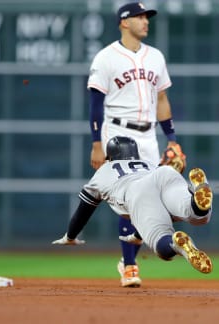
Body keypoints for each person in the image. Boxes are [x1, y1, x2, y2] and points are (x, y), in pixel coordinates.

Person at [87, 1, 182, 287]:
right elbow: (95, 104)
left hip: (148, 135)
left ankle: (129, 259)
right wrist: (96, 144)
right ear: (124, 22)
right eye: (140, 17)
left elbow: (162, 101)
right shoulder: (106, 58)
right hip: (117, 133)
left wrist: (173, 140)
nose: (146, 21)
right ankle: (130, 265)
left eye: (147, 17)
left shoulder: (156, 57)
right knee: (131, 201)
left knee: (153, 202)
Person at [52, 136, 213, 278]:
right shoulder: (147, 163)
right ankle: (198, 200)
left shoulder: (103, 171)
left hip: (136, 191)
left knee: (161, 241)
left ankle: (175, 244)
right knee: (197, 216)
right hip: (164, 173)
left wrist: (70, 236)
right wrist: (137, 235)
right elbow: (154, 208)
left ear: (110, 156)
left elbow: (84, 211)